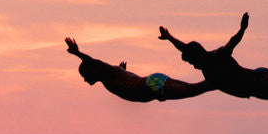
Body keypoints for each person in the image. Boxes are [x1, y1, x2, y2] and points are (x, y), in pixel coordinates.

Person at [65, 38, 214, 103]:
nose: (85, 80)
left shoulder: (107, 74)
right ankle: (218, 80)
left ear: (92, 71)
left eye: (84, 76)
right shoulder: (112, 74)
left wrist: (77, 53)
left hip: (152, 85)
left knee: (196, 89)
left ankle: (221, 79)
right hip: (153, 84)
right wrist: (122, 70)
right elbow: (124, 77)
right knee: (196, 88)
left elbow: (93, 61)